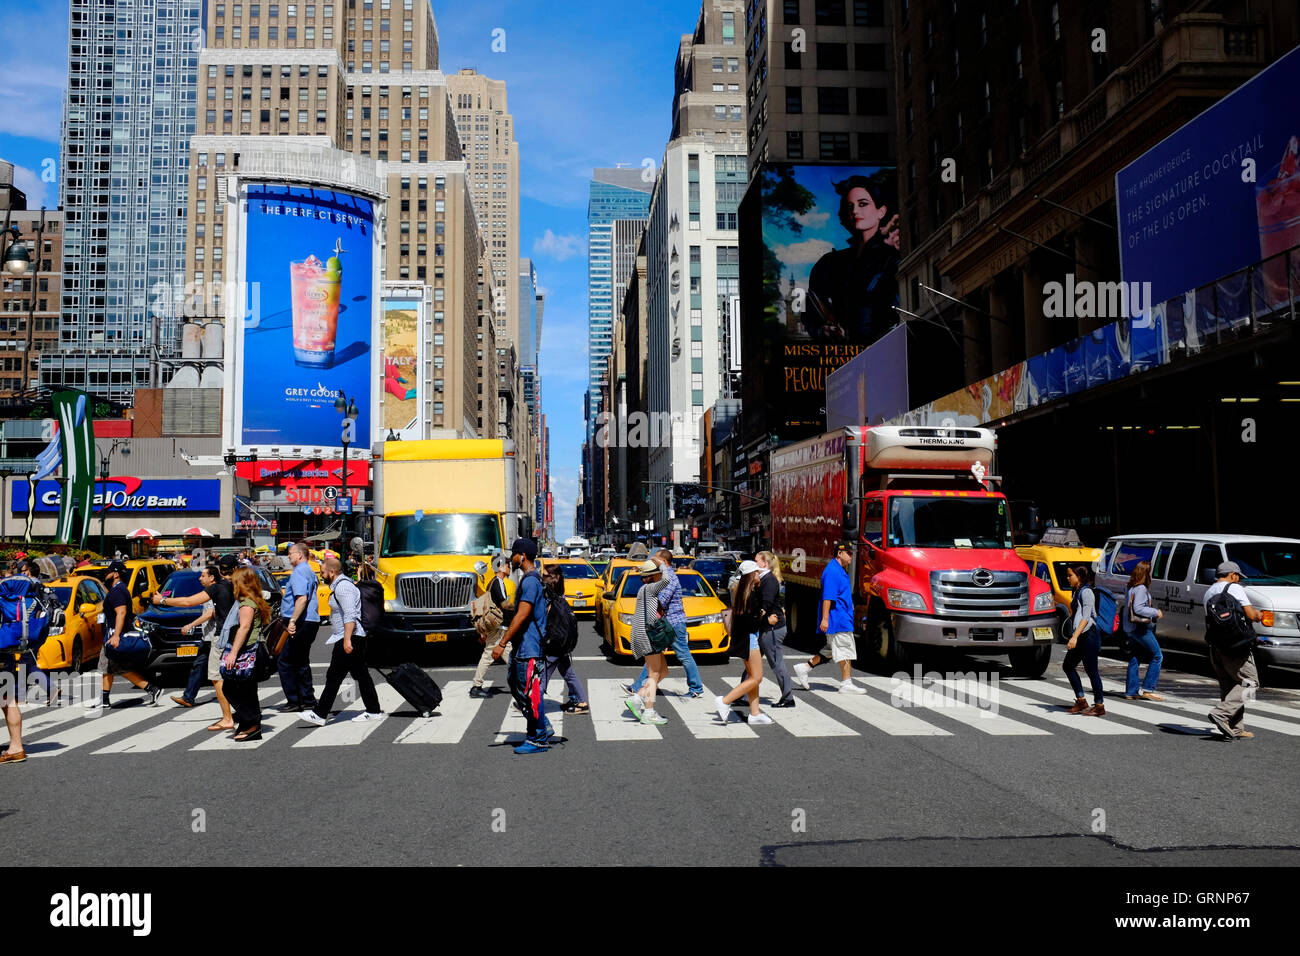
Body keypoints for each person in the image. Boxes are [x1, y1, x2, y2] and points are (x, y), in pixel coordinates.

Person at [805, 172, 900, 344]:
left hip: (883, 352)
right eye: (849, 207)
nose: (855, 211)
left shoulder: (892, 260)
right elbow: (812, 313)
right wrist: (822, 330)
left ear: (881, 211)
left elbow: (897, 313)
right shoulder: (828, 264)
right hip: (841, 360)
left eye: (863, 204)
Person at [299, 556, 382, 725]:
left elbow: (350, 614)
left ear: (332, 572)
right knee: (361, 675)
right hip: (351, 636)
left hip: (349, 636)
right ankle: (373, 710)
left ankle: (320, 713)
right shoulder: (339, 586)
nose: (321, 575)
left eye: (323, 572)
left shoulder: (343, 587)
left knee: (334, 676)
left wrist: (346, 640)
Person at [490, 538, 552, 754]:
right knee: (516, 684)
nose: (512, 559)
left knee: (530, 692)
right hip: (524, 646)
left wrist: (502, 642)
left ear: (522, 556)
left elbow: (524, 614)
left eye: (514, 555)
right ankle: (541, 726)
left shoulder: (530, 581)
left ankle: (538, 738)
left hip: (530, 646)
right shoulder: (531, 580)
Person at [625, 548, 704, 700]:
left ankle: (696, 688)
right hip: (666, 623)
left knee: (683, 655)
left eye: (656, 559)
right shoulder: (662, 576)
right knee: (654, 653)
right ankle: (638, 686)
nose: (653, 560)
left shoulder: (670, 578)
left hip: (673, 623)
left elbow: (661, 601)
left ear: (664, 561)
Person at [157, 562, 234, 712]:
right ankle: (189, 697)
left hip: (215, 638)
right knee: (199, 666)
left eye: (203, 575)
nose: (199, 578)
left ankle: (229, 713)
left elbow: (204, 610)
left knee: (217, 676)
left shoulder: (214, 591)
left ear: (212, 578)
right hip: (209, 637)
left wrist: (163, 601)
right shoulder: (217, 589)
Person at [791, 543, 865, 694]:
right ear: (839, 553)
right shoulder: (833, 571)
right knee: (845, 649)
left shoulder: (839, 570)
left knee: (831, 650)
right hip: (838, 619)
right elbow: (827, 598)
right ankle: (846, 683)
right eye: (849, 553)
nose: (851, 555)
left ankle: (804, 668)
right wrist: (825, 619)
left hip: (841, 617)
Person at [1204, 561, 1262, 740]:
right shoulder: (1234, 588)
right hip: (1236, 646)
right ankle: (1221, 714)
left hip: (1216, 647)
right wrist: (1259, 615)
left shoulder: (1208, 592)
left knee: (1229, 686)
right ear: (1232, 575)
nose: (1238, 580)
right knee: (1251, 683)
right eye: (1237, 577)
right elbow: (1251, 615)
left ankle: (1235, 728)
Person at [96, 560, 162, 708]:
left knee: (115, 668)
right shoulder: (119, 589)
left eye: (108, 572)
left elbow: (121, 612)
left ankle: (152, 688)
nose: (106, 574)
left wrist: (116, 635)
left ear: (116, 574)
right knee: (109, 668)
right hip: (112, 634)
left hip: (114, 635)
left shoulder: (118, 591)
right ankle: (105, 700)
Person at [714, 562, 772, 725]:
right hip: (750, 639)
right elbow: (751, 623)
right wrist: (764, 618)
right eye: (756, 573)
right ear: (750, 575)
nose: (758, 575)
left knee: (752, 677)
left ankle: (754, 713)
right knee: (757, 678)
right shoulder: (749, 595)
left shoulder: (741, 592)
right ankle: (725, 700)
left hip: (744, 638)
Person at [222, 567, 271, 742]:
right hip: (255, 649)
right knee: (248, 690)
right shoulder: (255, 599)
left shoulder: (247, 603)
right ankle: (250, 724)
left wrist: (233, 653)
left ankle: (250, 722)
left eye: (234, 581)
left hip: (248, 650)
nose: (232, 583)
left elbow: (244, 627)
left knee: (230, 688)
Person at [276, 541, 321, 713]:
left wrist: (293, 620)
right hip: (308, 620)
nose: (289, 556)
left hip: (301, 621)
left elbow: (301, 599)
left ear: (300, 555)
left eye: (291, 553)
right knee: (298, 660)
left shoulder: (299, 572)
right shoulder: (308, 571)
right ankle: (305, 699)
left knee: (287, 661)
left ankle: (299, 699)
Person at [625, 559, 671, 726]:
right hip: (648, 637)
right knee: (653, 675)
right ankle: (649, 712)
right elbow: (667, 579)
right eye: (658, 572)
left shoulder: (643, 589)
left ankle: (637, 697)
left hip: (645, 635)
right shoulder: (650, 588)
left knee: (663, 671)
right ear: (653, 575)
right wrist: (662, 565)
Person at [540, 563, 589, 715]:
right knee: (568, 672)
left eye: (544, 575)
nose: (542, 577)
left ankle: (530, 702)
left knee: (543, 675)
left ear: (552, 578)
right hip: (563, 643)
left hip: (554, 643)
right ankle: (582, 701)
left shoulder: (550, 596)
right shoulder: (560, 595)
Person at [1062, 565, 1105, 716]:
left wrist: (1074, 637)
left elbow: (1086, 618)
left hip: (1088, 636)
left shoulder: (1087, 592)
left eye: (1070, 575)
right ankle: (1081, 700)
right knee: (1068, 665)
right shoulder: (1077, 590)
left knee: (1092, 671)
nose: (1068, 578)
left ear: (1078, 576)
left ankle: (1099, 705)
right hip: (1080, 635)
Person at [755, 550, 795, 708]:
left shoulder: (769, 580)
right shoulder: (763, 579)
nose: (754, 563)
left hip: (772, 628)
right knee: (753, 661)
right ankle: (744, 694)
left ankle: (788, 697)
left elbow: (767, 603)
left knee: (777, 663)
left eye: (756, 561)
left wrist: (760, 616)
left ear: (764, 563)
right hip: (766, 627)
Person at [470, 554, 513, 699]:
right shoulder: (498, 582)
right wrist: (520, 606)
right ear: (500, 567)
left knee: (508, 654)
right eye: (507, 564)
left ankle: (522, 684)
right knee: (490, 654)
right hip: (498, 626)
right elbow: (504, 604)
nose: (509, 567)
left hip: (498, 625)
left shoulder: (493, 582)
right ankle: (476, 686)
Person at [1122, 560, 1164, 702]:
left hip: (1131, 628)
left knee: (1136, 657)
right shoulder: (1140, 589)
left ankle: (1131, 691)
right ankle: (1148, 689)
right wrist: (1155, 612)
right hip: (1140, 628)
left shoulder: (1130, 587)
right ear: (1146, 573)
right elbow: (1139, 608)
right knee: (1157, 655)